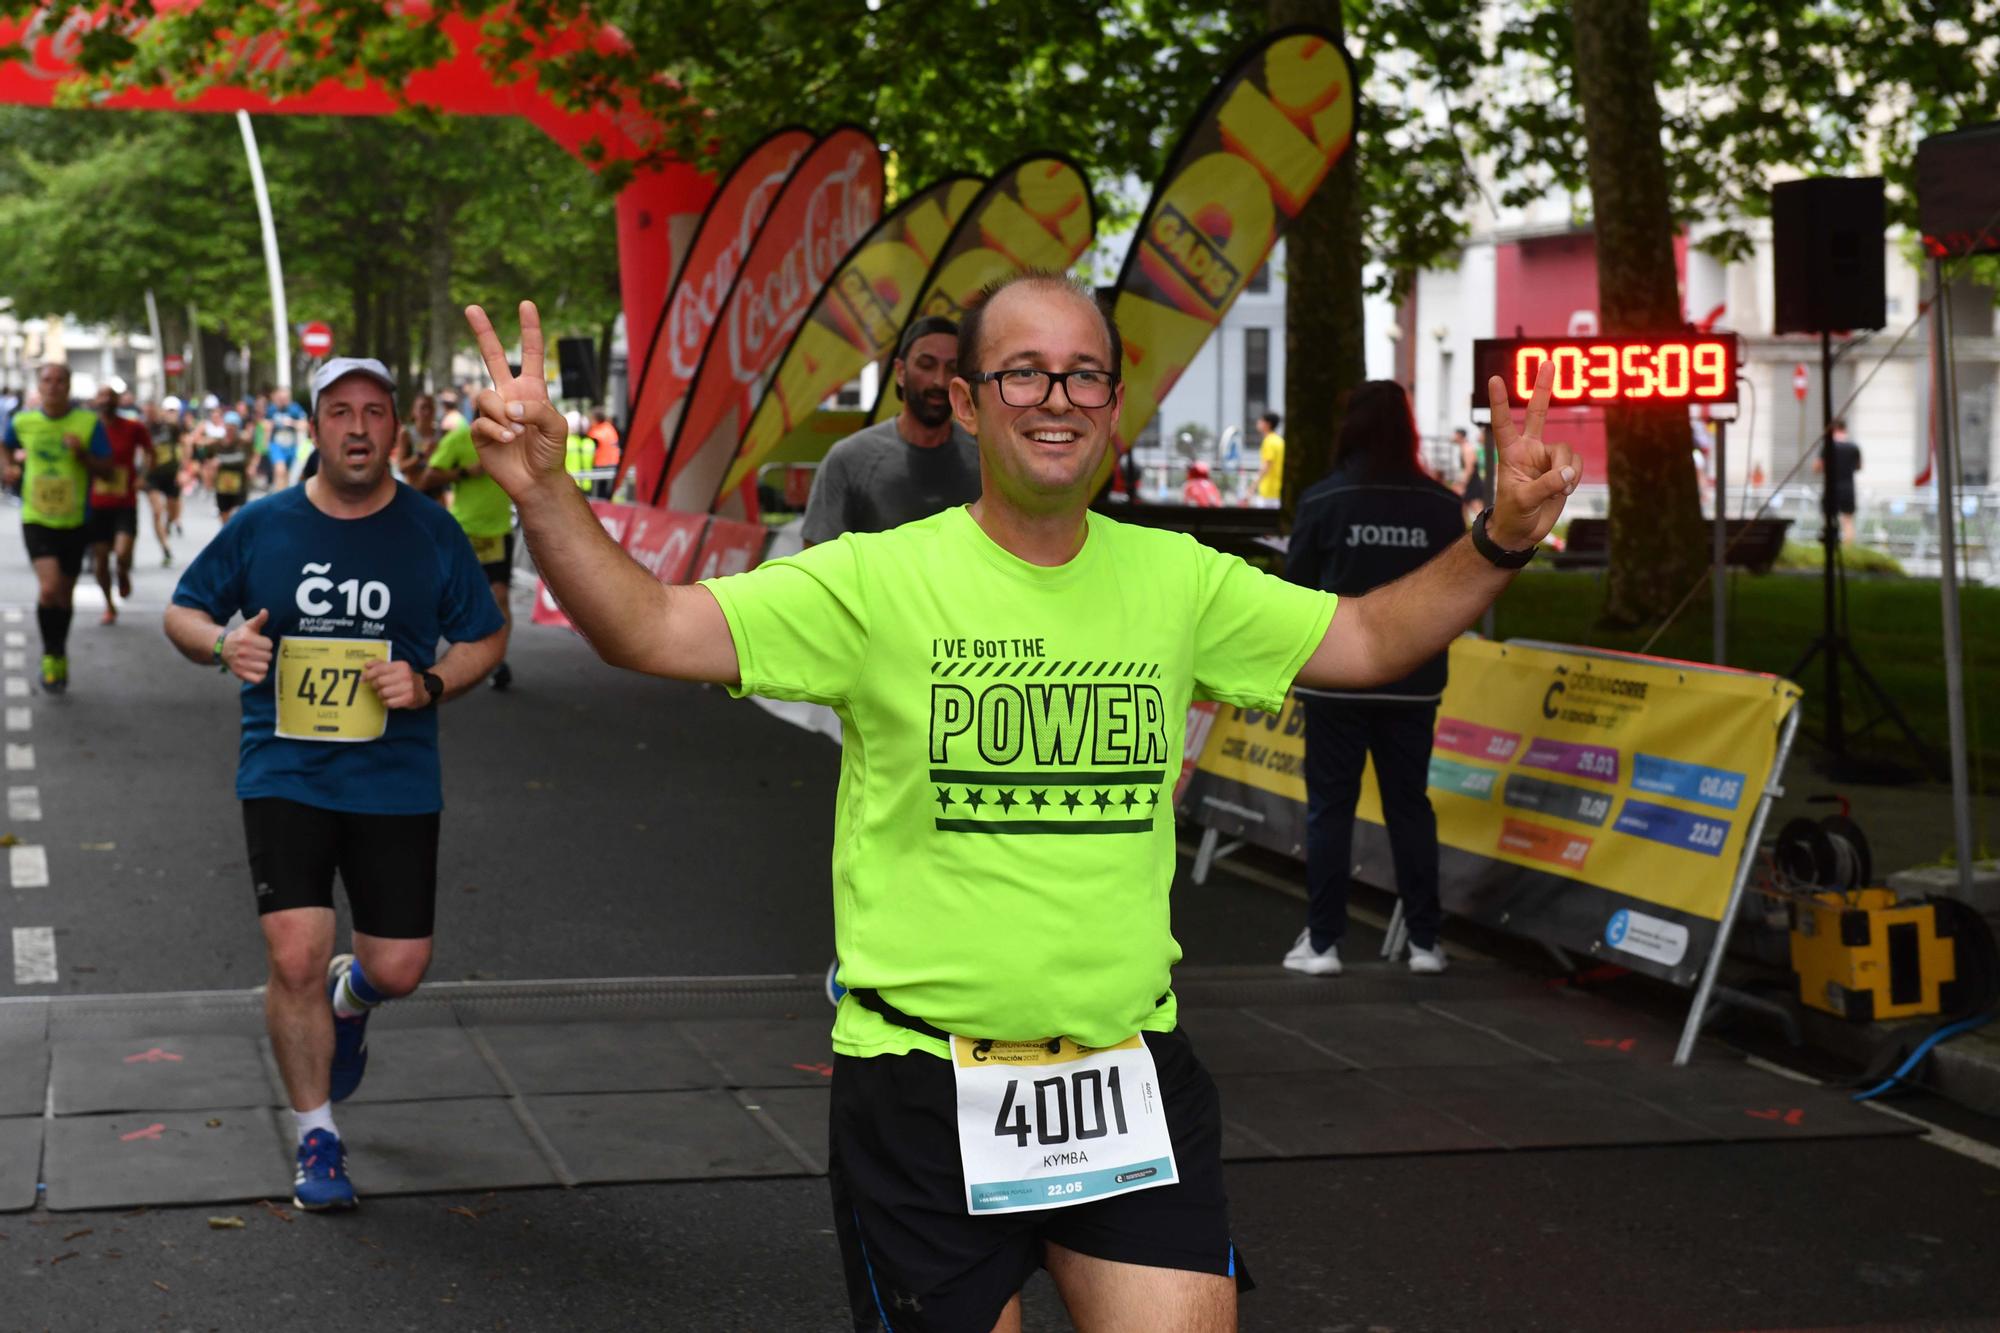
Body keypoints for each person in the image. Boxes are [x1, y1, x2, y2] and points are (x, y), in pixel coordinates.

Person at [461, 275, 1574, 1331]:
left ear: (1113, 405)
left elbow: (1369, 637)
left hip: (1123, 1074)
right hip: (920, 1087)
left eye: (1083, 374)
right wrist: (544, 490)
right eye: (1024, 372)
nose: (1056, 398)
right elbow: (646, 626)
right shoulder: (877, 581)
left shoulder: (1175, 579)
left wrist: (1500, 538)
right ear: (967, 399)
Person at [162, 356, 506, 1212]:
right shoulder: (262, 524)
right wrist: (219, 645)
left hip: (395, 776)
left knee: (399, 965)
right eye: (340, 412)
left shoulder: (432, 530)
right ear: (313, 428)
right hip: (285, 769)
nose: (358, 428)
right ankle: (318, 1134)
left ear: (398, 428)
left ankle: (356, 997)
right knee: (295, 954)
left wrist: (428, 683)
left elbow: (485, 636)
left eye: (376, 412)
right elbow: (184, 607)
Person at [1281, 382, 1469, 978]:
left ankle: (1324, 943)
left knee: (1330, 809)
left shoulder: (1322, 501)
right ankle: (1424, 944)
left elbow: (1295, 593)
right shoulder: (1440, 506)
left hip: (1336, 679)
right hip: (1413, 682)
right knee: (1409, 806)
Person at [801, 316, 981, 546]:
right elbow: (816, 559)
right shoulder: (849, 459)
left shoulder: (985, 458)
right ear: (900, 371)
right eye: (926, 365)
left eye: (952, 368)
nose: (939, 380)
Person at [3, 363, 113, 692]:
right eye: (47, 381)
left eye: (59, 380)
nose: (53, 386)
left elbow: (107, 469)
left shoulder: (87, 423)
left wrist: (82, 455)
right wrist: (7, 467)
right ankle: (50, 654)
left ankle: (59, 649)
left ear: (68, 386)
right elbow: (4, 444)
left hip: (75, 520)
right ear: (39, 386)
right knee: (49, 588)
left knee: (64, 595)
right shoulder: (24, 421)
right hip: (36, 517)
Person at [417, 419, 517, 691]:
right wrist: (465, 472)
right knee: (445, 600)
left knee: (500, 596)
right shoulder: (460, 438)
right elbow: (429, 477)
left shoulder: (512, 439)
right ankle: (431, 660)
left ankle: (498, 662)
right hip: (464, 532)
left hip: (497, 532)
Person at [87, 381, 150, 625]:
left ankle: (123, 572)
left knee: (122, 554)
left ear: (118, 401)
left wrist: (143, 476)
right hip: (97, 503)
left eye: (110, 396)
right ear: (95, 402)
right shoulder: (89, 428)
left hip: (125, 501)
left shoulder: (133, 427)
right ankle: (109, 605)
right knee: (100, 560)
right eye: (101, 396)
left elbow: (149, 451)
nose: (105, 401)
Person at [143, 396, 186, 566]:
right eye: (147, 413)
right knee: (157, 511)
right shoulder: (143, 429)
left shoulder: (170, 428)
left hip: (171, 474)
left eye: (153, 412)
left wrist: (184, 470)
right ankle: (165, 548)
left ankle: (169, 524)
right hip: (152, 476)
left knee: (173, 513)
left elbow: (185, 444)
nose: (150, 416)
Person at [1812, 417, 1863, 545]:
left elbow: (1817, 467)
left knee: (1828, 518)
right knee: (1848, 521)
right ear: (1845, 429)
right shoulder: (1854, 447)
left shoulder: (1828, 446)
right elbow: (1859, 466)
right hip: (1848, 487)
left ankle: (1830, 546)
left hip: (1831, 487)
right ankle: (1848, 549)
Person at [394, 393, 449, 504]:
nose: (427, 412)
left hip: (437, 495)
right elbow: (401, 467)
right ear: (414, 411)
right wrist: (421, 455)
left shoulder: (443, 434)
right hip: (414, 493)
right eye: (423, 407)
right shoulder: (407, 434)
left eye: (430, 407)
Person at [207, 410, 253, 523]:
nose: (230, 430)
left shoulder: (243, 443)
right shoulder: (217, 444)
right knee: (224, 518)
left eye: (233, 428)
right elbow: (209, 462)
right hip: (222, 486)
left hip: (239, 486)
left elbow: (247, 461)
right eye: (228, 427)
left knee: (237, 516)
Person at [266, 384, 307, 490]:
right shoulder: (272, 409)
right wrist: (266, 441)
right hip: (276, 445)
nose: (282, 401)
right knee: (280, 470)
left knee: (288, 476)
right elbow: (267, 425)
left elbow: (304, 425)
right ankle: (279, 500)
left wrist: (292, 423)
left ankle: (281, 494)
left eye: (284, 398)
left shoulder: (295, 409)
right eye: (280, 398)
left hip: (291, 446)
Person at [1453, 425, 1489, 524]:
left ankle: (1484, 526)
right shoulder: (1464, 447)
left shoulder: (1467, 448)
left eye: (1455, 434)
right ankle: (1465, 527)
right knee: (1463, 505)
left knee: (1476, 506)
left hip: (1473, 482)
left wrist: (1462, 484)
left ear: (1460, 436)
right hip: (1471, 481)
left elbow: (1469, 468)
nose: (1453, 437)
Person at [586, 407, 621, 498]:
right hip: (613, 463)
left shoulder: (596, 433)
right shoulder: (610, 428)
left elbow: (589, 447)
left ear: (596, 419)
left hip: (601, 465)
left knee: (599, 494)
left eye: (591, 418)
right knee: (608, 493)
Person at [1252, 410, 1284, 505]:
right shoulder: (1279, 441)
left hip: (1268, 492)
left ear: (1267, 424)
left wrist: (1252, 488)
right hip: (1278, 490)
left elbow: (1266, 467)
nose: (1258, 423)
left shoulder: (1269, 442)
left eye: (1261, 420)